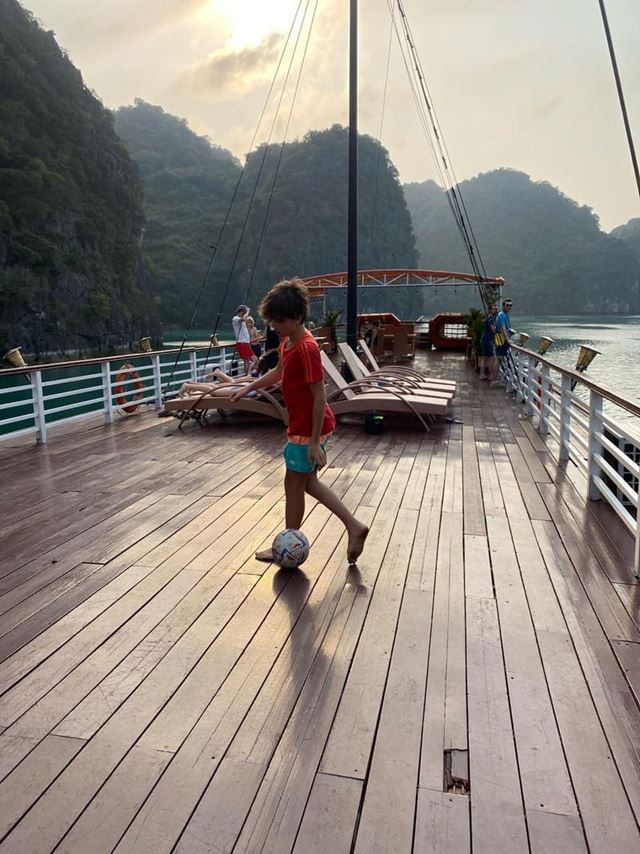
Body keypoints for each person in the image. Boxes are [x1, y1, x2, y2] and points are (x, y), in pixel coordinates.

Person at [230, 278, 369, 566]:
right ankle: (352, 527)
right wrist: (247, 387)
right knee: (304, 484)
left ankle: (290, 546)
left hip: (309, 429)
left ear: (294, 319)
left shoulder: (307, 349)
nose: (274, 328)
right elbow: (279, 371)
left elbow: (320, 397)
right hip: (302, 427)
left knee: (294, 484)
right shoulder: (288, 341)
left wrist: (315, 442)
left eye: (277, 322)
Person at [232, 304, 258, 374]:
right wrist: (248, 312)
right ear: (242, 311)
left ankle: (249, 373)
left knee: (255, 359)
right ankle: (248, 374)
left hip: (246, 343)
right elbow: (242, 319)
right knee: (246, 361)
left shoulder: (242, 320)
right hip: (242, 342)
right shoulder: (235, 319)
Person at [494, 298, 514, 381]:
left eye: (510, 305)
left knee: (500, 359)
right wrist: (507, 339)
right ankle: (494, 377)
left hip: (502, 339)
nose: (509, 307)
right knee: (499, 358)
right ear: (503, 306)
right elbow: (503, 328)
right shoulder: (502, 315)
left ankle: (496, 376)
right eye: (507, 305)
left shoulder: (505, 315)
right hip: (501, 340)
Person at [479, 303, 498, 380]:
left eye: (496, 309)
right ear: (490, 310)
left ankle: (482, 374)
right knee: (491, 357)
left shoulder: (491, 319)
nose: (495, 310)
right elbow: (493, 330)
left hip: (485, 339)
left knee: (485, 358)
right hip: (487, 340)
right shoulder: (490, 319)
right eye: (494, 309)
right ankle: (491, 375)